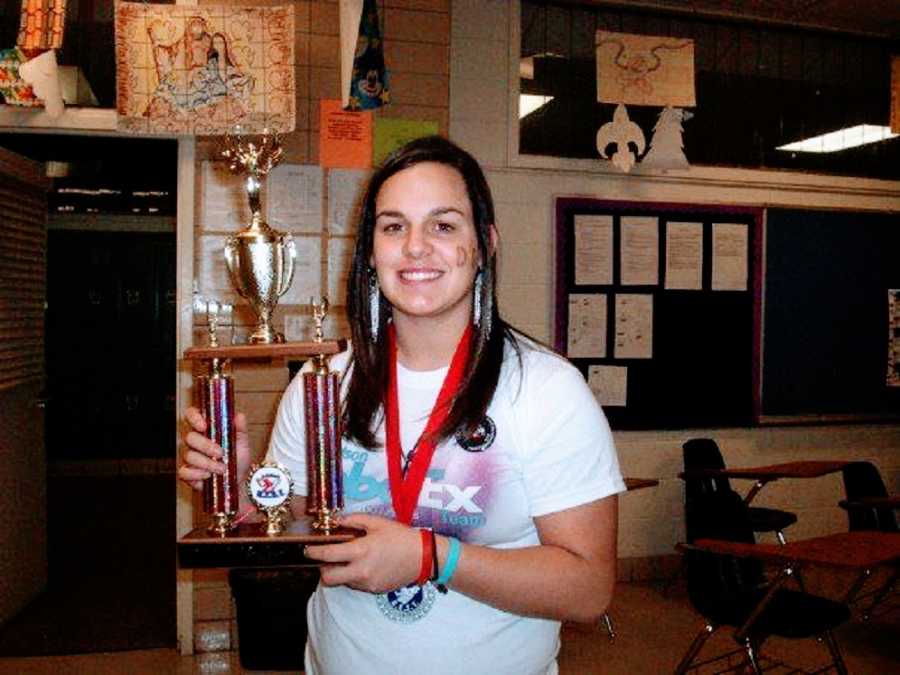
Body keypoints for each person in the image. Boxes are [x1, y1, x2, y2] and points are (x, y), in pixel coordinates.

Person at [179, 136, 625, 675]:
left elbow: (588, 590)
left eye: (443, 224)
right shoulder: (322, 388)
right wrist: (243, 488)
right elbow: (300, 525)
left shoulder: (547, 391)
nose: (415, 247)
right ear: (370, 251)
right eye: (393, 226)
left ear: (484, 244)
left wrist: (431, 557)